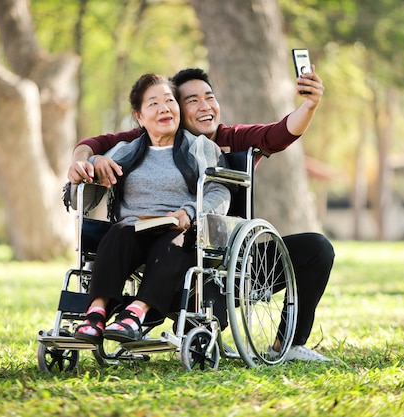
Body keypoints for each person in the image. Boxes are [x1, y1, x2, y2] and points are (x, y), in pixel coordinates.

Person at [69, 68, 335, 362]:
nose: (204, 106)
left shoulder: (220, 142)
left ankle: (289, 343)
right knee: (126, 235)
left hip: (218, 256)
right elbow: (97, 145)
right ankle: (100, 316)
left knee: (315, 248)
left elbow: (279, 134)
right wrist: (86, 162)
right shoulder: (138, 142)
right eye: (192, 101)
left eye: (209, 97)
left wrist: (309, 105)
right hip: (149, 246)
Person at [73, 73, 230, 344]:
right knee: (118, 232)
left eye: (169, 101)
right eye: (153, 103)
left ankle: (136, 313)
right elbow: (90, 177)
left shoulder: (202, 148)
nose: (164, 108)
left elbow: (219, 190)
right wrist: (94, 161)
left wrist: (189, 212)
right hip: (135, 231)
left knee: (173, 241)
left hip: (180, 229)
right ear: (139, 117)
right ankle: (95, 313)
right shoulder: (126, 150)